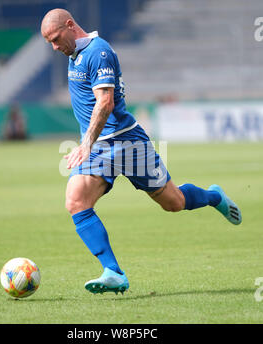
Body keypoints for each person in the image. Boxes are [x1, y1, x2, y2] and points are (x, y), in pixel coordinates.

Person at [40, 9, 242, 295]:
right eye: (49, 42)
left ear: (70, 26)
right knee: (76, 201)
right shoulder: (74, 55)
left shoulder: (99, 52)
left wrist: (85, 144)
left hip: (126, 142)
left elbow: (105, 103)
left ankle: (214, 197)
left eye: (56, 39)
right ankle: (113, 272)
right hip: (101, 146)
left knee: (174, 202)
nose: (54, 47)